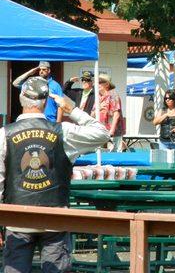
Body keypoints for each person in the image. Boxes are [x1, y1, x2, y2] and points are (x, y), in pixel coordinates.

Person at [0, 76, 110, 272]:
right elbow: (102, 133)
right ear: (45, 102)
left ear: (21, 99)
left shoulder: (4, 134)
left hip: (18, 220)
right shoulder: (64, 131)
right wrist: (72, 109)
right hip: (55, 218)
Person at [95, 74, 125, 151]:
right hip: (101, 130)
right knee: (100, 154)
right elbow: (92, 113)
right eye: (96, 82)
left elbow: (116, 114)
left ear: (107, 84)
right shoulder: (98, 97)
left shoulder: (113, 95)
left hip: (113, 132)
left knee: (115, 155)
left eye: (99, 82)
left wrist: (112, 130)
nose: (97, 84)